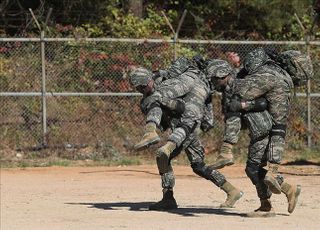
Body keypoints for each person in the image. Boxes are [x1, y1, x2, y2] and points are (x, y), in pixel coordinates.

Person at [129, 65, 243, 211]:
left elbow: (184, 107)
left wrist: (166, 102)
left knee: (163, 156)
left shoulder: (169, 83)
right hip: (181, 128)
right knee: (199, 166)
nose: (143, 89)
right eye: (139, 88)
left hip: (187, 126)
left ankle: (168, 198)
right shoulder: (147, 100)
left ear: (150, 79)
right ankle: (232, 190)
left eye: (144, 85)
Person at [205, 58, 301, 217]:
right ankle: (277, 197)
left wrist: (242, 106)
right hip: (258, 130)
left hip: (263, 129)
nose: (213, 83)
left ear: (223, 76)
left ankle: (272, 202)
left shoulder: (242, 83)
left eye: (214, 79)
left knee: (252, 168)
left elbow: (262, 102)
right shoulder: (230, 88)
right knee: (253, 168)